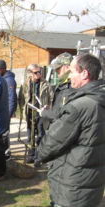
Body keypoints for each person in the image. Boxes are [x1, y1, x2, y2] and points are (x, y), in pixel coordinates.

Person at [37, 53, 105, 207]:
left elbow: (50, 144)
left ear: (84, 74)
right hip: (93, 184)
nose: (70, 76)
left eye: (73, 71)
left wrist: (38, 155)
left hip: (73, 187)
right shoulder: (100, 98)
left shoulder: (79, 107)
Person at [21, 64, 53, 167]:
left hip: (41, 114)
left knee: (40, 135)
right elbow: (21, 99)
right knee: (30, 136)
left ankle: (38, 157)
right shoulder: (25, 84)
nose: (38, 74)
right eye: (36, 72)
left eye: (39, 72)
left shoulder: (45, 84)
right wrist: (23, 110)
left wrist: (48, 108)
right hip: (30, 112)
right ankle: (31, 155)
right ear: (30, 73)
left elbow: (51, 98)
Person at [40, 52, 75, 122]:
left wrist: (46, 113)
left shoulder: (72, 86)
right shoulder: (62, 84)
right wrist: (50, 110)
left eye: (58, 68)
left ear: (67, 67)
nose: (55, 71)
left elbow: (65, 115)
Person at [0, 59, 17, 161]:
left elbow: (11, 98)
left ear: (2, 69)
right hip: (1, 111)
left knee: (5, 133)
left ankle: (7, 153)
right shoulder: (2, 78)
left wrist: (9, 113)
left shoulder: (9, 80)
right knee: (2, 133)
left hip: (6, 112)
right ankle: (2, 151)